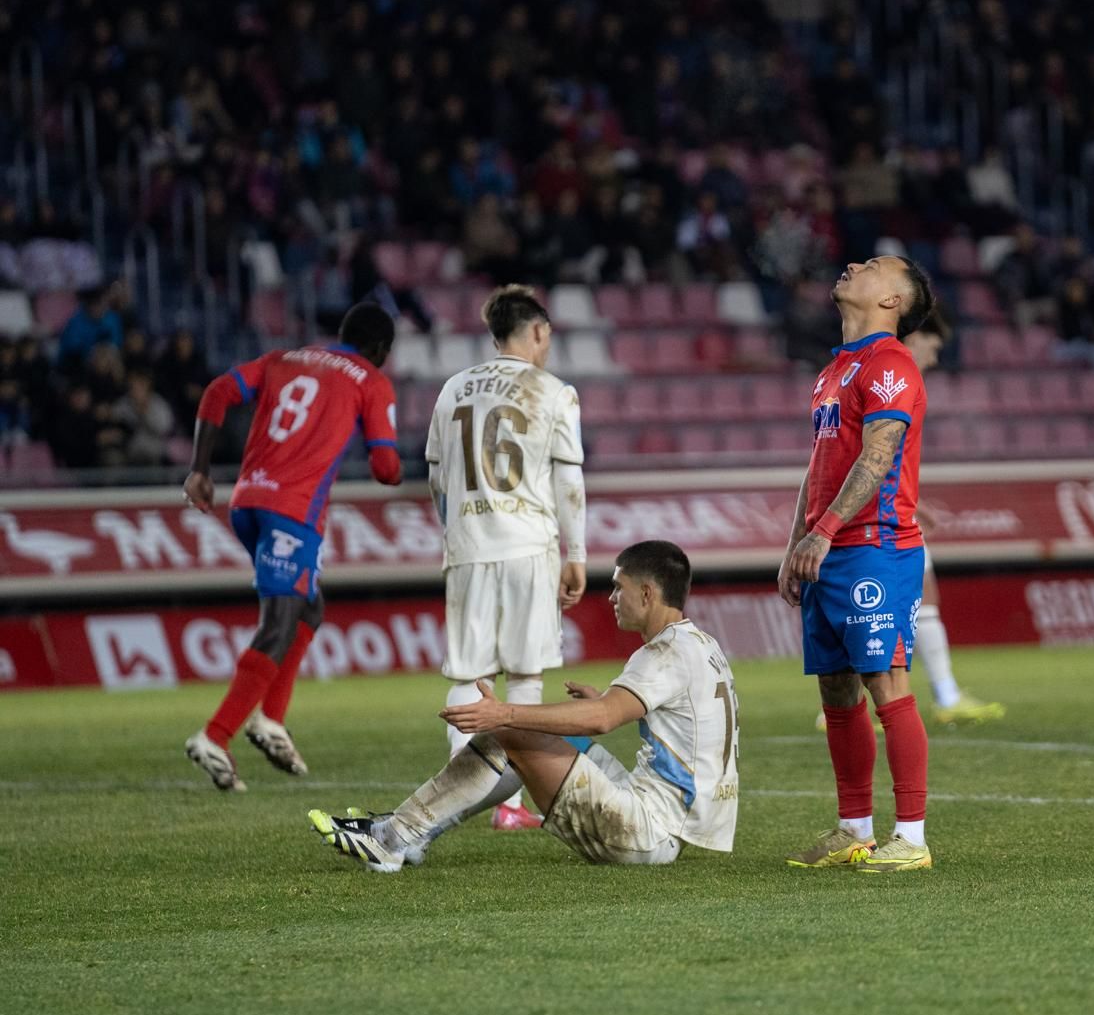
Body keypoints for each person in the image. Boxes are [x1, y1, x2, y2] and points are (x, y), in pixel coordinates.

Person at [308, 541, 739, 871]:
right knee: (543, 731)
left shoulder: (662, 654)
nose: (610, 597)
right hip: (675, 823)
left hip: (647, 830)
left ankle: (393, 838)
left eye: (617, 587)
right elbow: (683, 723)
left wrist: (506, 713)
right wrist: (603, 704)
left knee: (509, 732)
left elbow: (604, 720)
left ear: (647, 593)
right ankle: (411, 834)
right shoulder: (700, 645)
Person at [181, 303, 403, 791]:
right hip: (292, 510)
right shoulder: (370, 379)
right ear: (382, 350)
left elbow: (219, 392)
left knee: (307, 609)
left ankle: (271, 721)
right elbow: (386, 468)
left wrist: (200, 468)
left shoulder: (286, 358)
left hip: (246, 501)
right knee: (280, 621)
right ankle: (215, 736)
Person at [778, 254, 935, 873]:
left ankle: (913, 839)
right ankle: (854, 828)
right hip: (829, 547)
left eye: (873, 265)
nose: (853, 265)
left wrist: (827, 531)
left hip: (877, 546)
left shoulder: (891, 363)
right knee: (838, 691)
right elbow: (819, 466)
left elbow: (878, 457)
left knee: (886, 685)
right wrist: (798, 540)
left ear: (893, 302)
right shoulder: (833, 372)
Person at [423, 284, 588, 831]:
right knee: (524, 670)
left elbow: (434, 477)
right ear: (537, 331)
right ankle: (510, 808)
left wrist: (457, 530)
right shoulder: (553, 391)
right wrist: (577, 553)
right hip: (528, 545)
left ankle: (453, 794)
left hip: (468, 545)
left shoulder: (452, 389)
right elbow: (568, 479)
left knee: (469, 670)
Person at [812, 313, 1005, 731]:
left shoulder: (878, 375)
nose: (933, 360)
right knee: (907, 600)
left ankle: (909, 697)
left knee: (894, 605)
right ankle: (929, 697)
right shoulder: (889, 374)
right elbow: (865, 453)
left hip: (887, 513)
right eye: (933, 348)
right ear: (915, 337)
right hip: (878, 523)